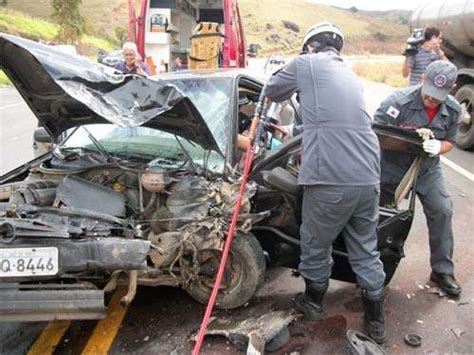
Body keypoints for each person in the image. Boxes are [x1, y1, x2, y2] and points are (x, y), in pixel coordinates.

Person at [264, 22, 386, 343]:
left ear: (311, 47)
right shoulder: (351, 77)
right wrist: (287, 133)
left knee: (316, 245)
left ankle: (314, 304)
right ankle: (376, 323)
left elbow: (272, 89)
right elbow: (331, 126)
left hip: (331, 178)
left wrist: (293, 68)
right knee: (366, 250)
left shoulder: (307, 63)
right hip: (368, 177)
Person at [374, 60, 462, 296]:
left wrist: (438, 147)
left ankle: (442, 270)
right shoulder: (397, 102)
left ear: (451, 89)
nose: (431, 100)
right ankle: (370, 264)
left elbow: (450, 142)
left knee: (442, 209)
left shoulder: (453, 110)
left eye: (438, 97)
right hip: (393, 167)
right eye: (429, 94)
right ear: (423, 80)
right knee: (380, 215)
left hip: (427, 169)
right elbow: (374, 134)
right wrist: (407, 139)